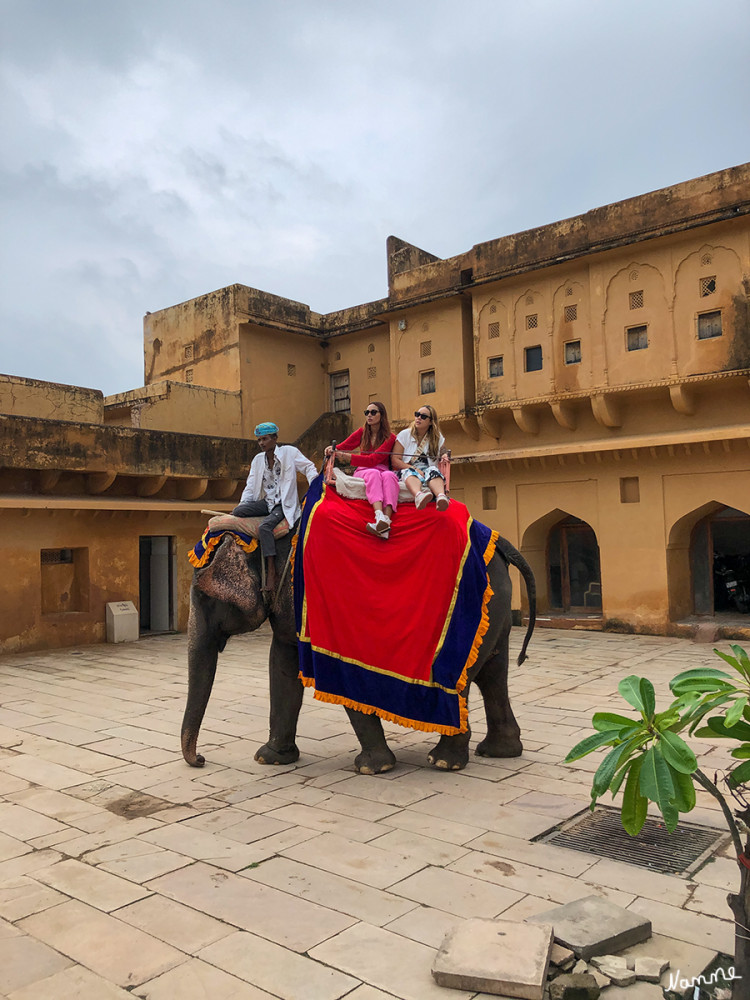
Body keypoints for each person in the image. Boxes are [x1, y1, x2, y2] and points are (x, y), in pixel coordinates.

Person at [232, 422, 317, 591]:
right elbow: (250, 486)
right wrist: (243, 504)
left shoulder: (289, 453)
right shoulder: (257, 460)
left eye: (265, 439)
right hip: (267, 502)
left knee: (265, 527)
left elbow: (308, 467)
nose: (262, 443)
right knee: (238, 511)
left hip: (282, 504)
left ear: (275, 439)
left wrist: (314, 486)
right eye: (259, 440)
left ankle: (271, 573)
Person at [325, 401, 398, 539]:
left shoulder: (390, 437)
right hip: (365, 470)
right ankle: (379, 515)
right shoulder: (362, 432)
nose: (369, 415)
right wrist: (332, 449)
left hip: (381, 469)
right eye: (367, 413)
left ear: (382, 416)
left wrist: (348, 457)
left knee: (389, 476)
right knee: (374, 473)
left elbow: (373, 460)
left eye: (373, 412)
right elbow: (344, 446)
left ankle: (386, 522)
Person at [391, 404, 450, 511]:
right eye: (417, 415)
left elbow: (443, 450)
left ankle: (441, 496)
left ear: (431, 421)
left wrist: (444, 455)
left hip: (427, 471)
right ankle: (418, 495)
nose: (418, 418)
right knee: (409, 472)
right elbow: (395, 460)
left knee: (434, 470)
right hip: (407, 470)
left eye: (423, 416)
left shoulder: (437, 438)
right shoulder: (405, 435)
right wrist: (414, 469)